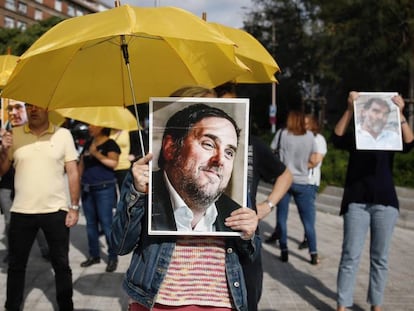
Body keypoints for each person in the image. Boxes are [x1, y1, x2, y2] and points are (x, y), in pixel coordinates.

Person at [111, 99, 259, 310]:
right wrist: (136, 193)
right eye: (208, 144)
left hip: (221, 304)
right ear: (171, 147)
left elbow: (251, 254)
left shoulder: (236, 206)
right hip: (157, 302)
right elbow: (120, 244)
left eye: (229, 152)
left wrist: (249, 234)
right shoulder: (142, 184)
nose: (220, 160)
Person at [215, 82, 293, 311]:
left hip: (244, 240)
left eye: (231, 107)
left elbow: (285, 175)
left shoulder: (252, 145)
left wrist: (267, 205)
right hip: (207, 244)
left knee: (247, 302)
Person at [334, 91, 414, 311]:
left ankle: (376, 305)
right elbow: (337, 138)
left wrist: (400, 114)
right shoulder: (357, 136)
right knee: (350, 255)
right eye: (374, 111)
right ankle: (343, 304)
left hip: (385, 203)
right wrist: (350, 109)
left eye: (383, 112)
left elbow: (409, 144)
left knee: (380, 258)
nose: (378, 116)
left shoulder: (391, 135)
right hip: (356, 201)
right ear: (366, 112)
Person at [0, 103, 80, 311]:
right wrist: (3, 149)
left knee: (61, 265)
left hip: (55, 211)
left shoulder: (63, 135)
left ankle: (66, 306)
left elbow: (72, 171)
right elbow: (3, 170)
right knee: (16, 266)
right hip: (21, 211)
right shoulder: (14, 134)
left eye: (37, 106)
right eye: (29, 106)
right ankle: (12, 306)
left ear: (47, 109)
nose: (33, 110)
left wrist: (74, 207)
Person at [0, 99, 50, 262]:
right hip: (7, 184)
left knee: (38, 219)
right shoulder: (5, 132)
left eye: (18, 108)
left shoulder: (37, 134)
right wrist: (3, 148)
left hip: (31, 184)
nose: (13, 112)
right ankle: (13, 251)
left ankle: (46, 250)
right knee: (9, 221)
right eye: (10, 109)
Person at [267, 110, 319, 264]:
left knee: (282, 218)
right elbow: (314, 157)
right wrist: (303, 166)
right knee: (308, 221)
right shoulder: (309, 136)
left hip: (284, 180)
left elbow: (271, 152)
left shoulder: (282, 134)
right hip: (302, 181)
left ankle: (284, 249)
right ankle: (313, 253)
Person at [78, 125, 120, 272]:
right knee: (90, 224)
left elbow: (113, 163)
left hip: (104, 189)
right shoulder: (89, 142)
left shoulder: (110, 144)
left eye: (92, 125)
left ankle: (113, 257)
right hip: (87, 188)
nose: (89, 127)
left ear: (102, 127)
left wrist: (97, 154)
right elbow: (81, 164)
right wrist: (77, 182)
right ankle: (94, 255)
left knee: (107, 224)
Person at [297, 113, 328, 250]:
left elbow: (315, 161)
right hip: (299, 179)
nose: (304, 126)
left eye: (307, 123)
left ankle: (311, 246)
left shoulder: (318, 139)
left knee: (308, 216)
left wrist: (295, 167)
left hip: (309, 182)